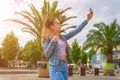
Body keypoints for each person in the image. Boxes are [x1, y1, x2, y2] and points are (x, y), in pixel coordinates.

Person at [41, 8, 93, 80]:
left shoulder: (63, 37)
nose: (60, 25)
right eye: (58, 23)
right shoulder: (48, 39)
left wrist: (87, 20)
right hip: (55, 67)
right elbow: (46, 54)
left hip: (64, 65)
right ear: (52, 27)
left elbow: (76, 31)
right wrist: (53, 42)